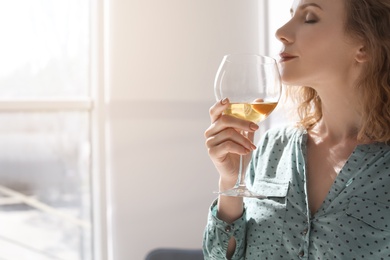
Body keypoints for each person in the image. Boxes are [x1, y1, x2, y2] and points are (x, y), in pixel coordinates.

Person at [202, 0, 390, 259]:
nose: (281, 31)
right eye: (291, 15)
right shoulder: (272, 147)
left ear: (364, 46)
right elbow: (220, 257)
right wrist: (230, 181)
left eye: (310, 18)